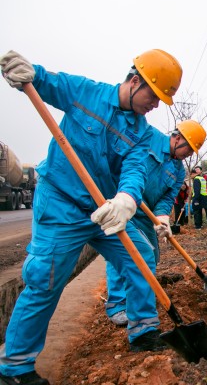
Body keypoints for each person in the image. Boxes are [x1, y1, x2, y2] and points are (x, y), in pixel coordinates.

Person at [0, 49, 183, 385]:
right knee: (46, 277)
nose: (156, 105)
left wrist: (126, 199)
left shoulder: (142, 133)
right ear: (135, 81)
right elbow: (50, 84)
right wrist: (30, 73)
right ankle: (15, 367)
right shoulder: (87, 93)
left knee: (140, 255)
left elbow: (135, 169)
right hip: (62, 204)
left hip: (103, 210)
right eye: (154, 96)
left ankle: (144, 331)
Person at [104, 120, 205, 326]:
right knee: (124, 252)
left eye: (192, 152)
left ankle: (137, 297)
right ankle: (117, 304)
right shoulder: (149, 138)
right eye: (188, 149)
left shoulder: (178, 171)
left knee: (152, 255)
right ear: (178, 138)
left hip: (145, 214)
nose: (188, 155)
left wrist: (162, 218)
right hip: (124, 204)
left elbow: (167, 198)